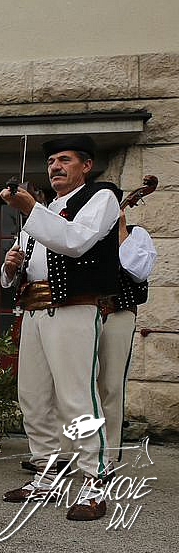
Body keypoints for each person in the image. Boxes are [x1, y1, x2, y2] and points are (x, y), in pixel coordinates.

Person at [0, 136, 122, 522]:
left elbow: (77, 241)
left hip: (73, 308)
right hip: (35, 310)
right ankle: (47, 474)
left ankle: (96, 480)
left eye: (64, 160)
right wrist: (11, 268)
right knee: (33, 397)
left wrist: (30, 209)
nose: (55, 166)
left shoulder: (100, 197)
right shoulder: (46, 210)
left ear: (86, 165)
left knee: (76, 397)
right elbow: (19, 272)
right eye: (51, 161)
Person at [98, 194, 156, 462]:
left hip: (118, 312)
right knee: (75, 384)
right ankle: (71, 450)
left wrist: (121, 229)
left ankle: (108, 454)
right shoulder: (87, 232)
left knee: (110, 384)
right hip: (84, 314)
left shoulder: (136, 234)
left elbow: (139, 270)